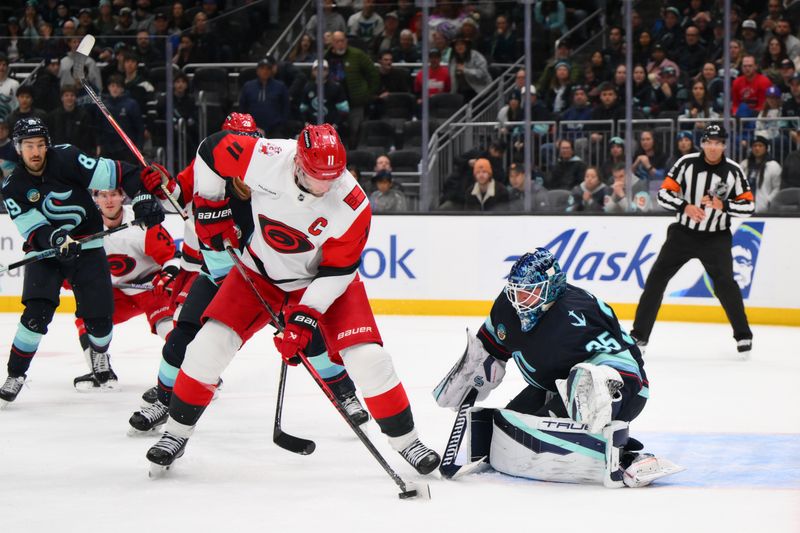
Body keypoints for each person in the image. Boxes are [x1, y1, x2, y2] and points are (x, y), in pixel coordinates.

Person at [145, 124, 440, 474]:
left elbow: (339, 271)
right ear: (298, 162)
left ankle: (408, 442)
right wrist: (210, 205)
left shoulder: (353, 202)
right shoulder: (267, 157)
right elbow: (211, 150)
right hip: (258, 272)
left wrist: (304, 318)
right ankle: (176, 434)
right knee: (208, 346)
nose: (323, 187)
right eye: (316, 177)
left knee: (370, 359)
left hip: (323, 280)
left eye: (332, 178)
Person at [131, 115, 370, 433]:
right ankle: (164, 400)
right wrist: (153, 188)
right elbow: (177, 193)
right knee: (182, 336)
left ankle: (345, 395)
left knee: (309, 341)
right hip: (219, 278)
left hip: (268, 278)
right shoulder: (212, 172)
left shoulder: (270, 179)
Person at [432, 249, 681, 488]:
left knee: (586, 380)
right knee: (510, 425)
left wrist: (599, 390)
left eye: (529, 293)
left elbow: (626, 364)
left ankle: (624, 455)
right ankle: (571, 417)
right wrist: (471, 375)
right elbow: (490, 350)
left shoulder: (578, 311)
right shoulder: (508, 306)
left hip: (622, 387)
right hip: (554, 384)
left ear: (552, 288)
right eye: (516, 292)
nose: (519, 301)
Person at [0, 118, 164, 407]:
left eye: (40, 145)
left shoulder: (67, 158)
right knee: (35, 315)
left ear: (47, 145)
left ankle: (99, 354)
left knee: (100, 320)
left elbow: (122, 173)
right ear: (18, 149)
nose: (35, 152)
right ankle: (15, 374)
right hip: (47, 254)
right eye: (28, 146)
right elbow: (35, 230)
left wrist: (142, 196)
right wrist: (57, 239)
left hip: (88, 247)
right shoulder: (13, 186)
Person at [631, 124, 755, 356]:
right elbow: (663, 194)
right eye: (710, 142)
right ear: (703, 144)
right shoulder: (686, 164)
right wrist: (684, 206)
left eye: (718, 143)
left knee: (726, 285)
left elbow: (749, 205)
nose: (714, 147)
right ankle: (639, 335)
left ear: (724, 145)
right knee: (656, 279)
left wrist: (724, 205)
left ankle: (743, 335)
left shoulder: (733, 170)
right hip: (683, 235)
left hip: (716, 237)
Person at [71, 187, 179, 389]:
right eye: (102, 195)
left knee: (166, 323)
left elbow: (172, 257)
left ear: (123, 196)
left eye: (113, 194)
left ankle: (193, 372)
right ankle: (100, 369)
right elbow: (73, 271)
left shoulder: (142, 220)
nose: (109, 200)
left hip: (150, 286)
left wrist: (166, 276)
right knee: (87, 316)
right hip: (117, 291)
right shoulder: (85, 227)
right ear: (95, 199)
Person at [239, 55, 289, 138]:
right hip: (252, 130)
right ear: (257, 70)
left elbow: (286, 107)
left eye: (268, 69)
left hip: (275, 130)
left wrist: (281, 124)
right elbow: (242, 107)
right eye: (262, 68)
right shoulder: (248, 86)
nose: (265, 71)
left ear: (271, 71)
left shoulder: (280, 86)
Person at [47, 84, 97, 155]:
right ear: (62, 98)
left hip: (78, 153)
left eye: (72, 95)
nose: (69, 98)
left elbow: (87, 138)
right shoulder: (53, 116)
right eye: (66, 95)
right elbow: (50, 136)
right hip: (58, 153)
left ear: (76, 98)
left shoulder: (84, 115)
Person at [740, 135, 782, 212]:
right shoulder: (744, 164)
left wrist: (769, 201)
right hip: (745, 208)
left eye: (760, 145)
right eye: (755, 146)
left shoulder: (773, 165)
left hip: (764, 209)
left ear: (766, 148)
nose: (757, 148)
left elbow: (777, 187)